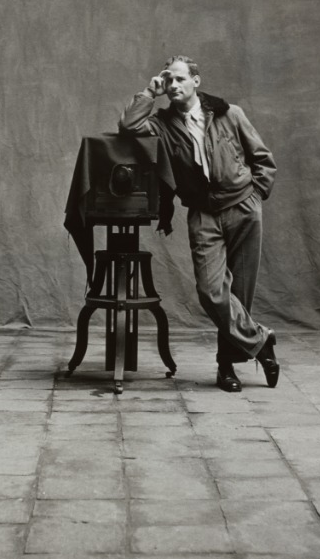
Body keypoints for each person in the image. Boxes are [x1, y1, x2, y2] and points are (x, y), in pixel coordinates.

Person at [119, 55, 278, 392]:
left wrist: (256, 195)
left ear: (196, 81)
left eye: (179, 79)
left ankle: (226, 369)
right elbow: (130, 126)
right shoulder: (161, 125)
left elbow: (261, 158)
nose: (173, 85)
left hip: (243, 209)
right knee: (211, 290)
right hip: (204, 214)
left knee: (239, 296)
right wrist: (150, 91)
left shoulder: (229, 114)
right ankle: (262, 342)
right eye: (168, 80)